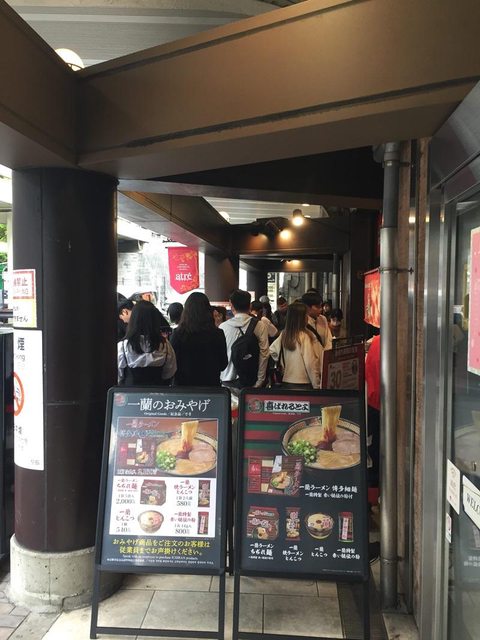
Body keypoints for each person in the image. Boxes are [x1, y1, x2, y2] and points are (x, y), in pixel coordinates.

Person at [170, 292, 228, 386]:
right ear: (208, 310)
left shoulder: (177, 334)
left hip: (183, 388)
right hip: (211, 387)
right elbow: (223, 364)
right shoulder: (218, 334)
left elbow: (172, 364)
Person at [118, 300, 177, 385]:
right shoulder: (165, 345)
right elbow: (169, 373)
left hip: (130, 392)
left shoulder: (123, 346)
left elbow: (119, 375)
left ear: (134, 319)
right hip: (158, 391)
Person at [220, 289, 269, 388]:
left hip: (227, 381)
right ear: (250, 306)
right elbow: (264, 354)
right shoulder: (260, 325)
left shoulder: (223, 327)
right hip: (250, 380)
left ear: (231, 306)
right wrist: (260, 381)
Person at [269, 302, 320, 389]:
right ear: (301, 318)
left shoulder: (284, 334)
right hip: (303, 383)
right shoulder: (304, 336)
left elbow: (272, 350)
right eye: (305, 315)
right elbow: (310, 363)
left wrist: (282, 363)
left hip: (286, 381)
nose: (307, 317)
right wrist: (317, 385)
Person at [365, 333, 380, 488]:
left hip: (372, 398)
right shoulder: (388, 343)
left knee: (373, 441)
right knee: (379, 442)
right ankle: (376, 479)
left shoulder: (375, 342)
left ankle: (373, 478)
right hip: (382, 401)